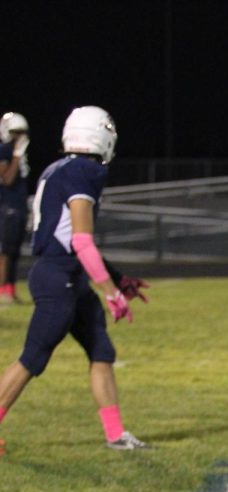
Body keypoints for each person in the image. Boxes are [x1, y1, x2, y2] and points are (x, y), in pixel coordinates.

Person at [0, 107, 149, 456]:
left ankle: (116, 434)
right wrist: (111, 291)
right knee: (33, 357)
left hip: (65, 274)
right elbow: (81, 241)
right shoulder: (86, 171)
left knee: (101, 350)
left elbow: (71, 239)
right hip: (58, 278)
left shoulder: (58, 168)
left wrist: (118, 278)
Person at [0, 112, 31, 304]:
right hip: (7, 208)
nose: (19, 137)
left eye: (22, 132)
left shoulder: (17, 151)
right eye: (15, 132)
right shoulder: (4, 150)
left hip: (18, 207)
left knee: (14, 251)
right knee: (4, 252)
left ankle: (10, 290)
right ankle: (2, 291)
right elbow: (8, 179)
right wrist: (17, 156)